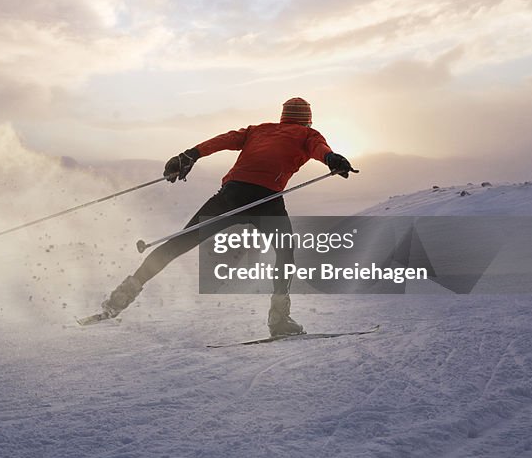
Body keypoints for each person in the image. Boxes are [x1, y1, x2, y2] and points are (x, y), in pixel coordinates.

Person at [96, 97, 355, 336]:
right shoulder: (308, 134)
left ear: (283, 117)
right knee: (285, 252)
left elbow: (224, 139)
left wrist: (190, 155)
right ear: (308, 119)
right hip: (267, 202)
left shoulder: (259, 129)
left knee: (179, 243)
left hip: (231, 195)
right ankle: (279, 319)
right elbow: (320, 149)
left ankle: (121, 297)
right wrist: (332, 159)